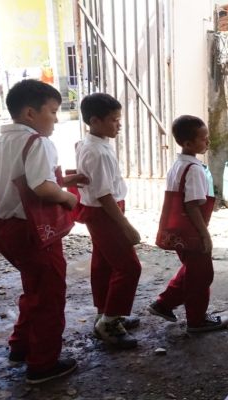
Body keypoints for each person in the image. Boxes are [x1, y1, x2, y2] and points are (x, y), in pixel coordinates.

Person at [0, 79, 81, 384]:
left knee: (34, 287)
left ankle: (22, 346)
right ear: (31, 113)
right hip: (33, 232)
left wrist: (64, 181)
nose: (56, 118)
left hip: (1, 227)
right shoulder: (39, 142)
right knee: (50, 295)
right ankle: (43, 364)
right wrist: (68, 197)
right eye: (53, 111)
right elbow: (41, 187)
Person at [148, 115, 228, 333]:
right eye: (203, 139)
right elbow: (192, 205)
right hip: (192, 230)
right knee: (202, 275)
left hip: (179, 230)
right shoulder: (193, 169)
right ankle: (197, 319)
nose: (208, 142)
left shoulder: (179, 164)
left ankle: (164, 303)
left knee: (192, 270)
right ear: (187, 143)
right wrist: (205, 235)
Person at [75, 93, 142, 349]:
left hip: (101, 211)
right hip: (105, 213)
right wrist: (125, 225)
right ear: (95, 120)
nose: (119, 125)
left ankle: (106, 312)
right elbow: (103, 194)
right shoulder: (97, 151)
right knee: (129, 267)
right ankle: (109, 322)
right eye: (114, 120)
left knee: (103, 264)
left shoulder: (92, 144)